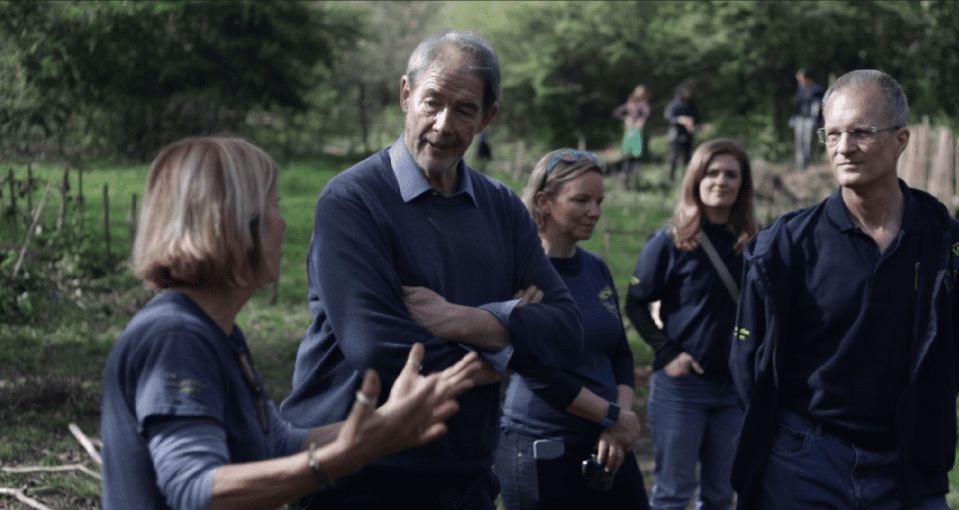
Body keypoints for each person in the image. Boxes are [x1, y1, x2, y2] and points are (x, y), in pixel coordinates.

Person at [279, 31, 584, 510]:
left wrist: (464, 320)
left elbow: (566, 333)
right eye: (432, 102)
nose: (443, 125)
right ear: (405, 96)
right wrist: (508, 347)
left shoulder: (503, 207)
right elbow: (377, 347)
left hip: (466, 476)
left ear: (488, 117)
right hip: (358, 476)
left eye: (464, 110)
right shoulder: (352, 201)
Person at [101, 136, 483, 510]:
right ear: (234, 222)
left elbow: (274, 444)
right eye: (273, 206)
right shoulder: (176, 339)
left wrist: (384, 426)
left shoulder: (217, 332)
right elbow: (195, 491)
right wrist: (340, 459)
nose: (281, 223)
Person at [730, 69, 959, 509]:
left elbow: (951, 354)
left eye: (861, 132)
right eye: (832, 135)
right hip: (803, 464)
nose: (844, 148)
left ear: (901, 139)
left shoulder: (950, 246)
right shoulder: (784, 247)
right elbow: (749, 364)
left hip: (908, 463)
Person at [495, 149, 650, 510]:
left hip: (608, 444)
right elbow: (537, 371)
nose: (594, 211)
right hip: (543, 448)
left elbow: (620, 353)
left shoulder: (596, 268)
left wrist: (620, 423)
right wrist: (611, 415)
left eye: (599, 201)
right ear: (544, 202)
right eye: (581, 200)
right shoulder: (521, 276)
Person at [624, 138, 757, 510]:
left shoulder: (754, 245)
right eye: (712, 172)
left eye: (731, 174)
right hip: (682, 387)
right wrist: (668, 353)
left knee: (720, 496)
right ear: (695, 179)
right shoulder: (671, 240)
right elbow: (635, 302)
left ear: (742, 184)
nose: (721, 181)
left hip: (733, 390)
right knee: (673, 493)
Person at [612, 85, 651, 190]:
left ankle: (634, 184)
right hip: (630, 135)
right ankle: (624, 181)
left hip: (640, 135)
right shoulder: (630, 103)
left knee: (637, 159)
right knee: (628, 158)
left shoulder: (644, 105)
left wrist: (642, 120)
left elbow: (647, 114)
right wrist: (626, 118)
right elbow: (616, 113)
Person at [663, 84, 702, 182]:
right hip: (676, 133)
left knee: (687, 157)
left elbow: (697, 116)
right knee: (674, 157)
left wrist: (691, 121)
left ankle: (687, 178)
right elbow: (668, 117)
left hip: (688, 134)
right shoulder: (673, 104)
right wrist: (679, 120)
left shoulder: (690, 104)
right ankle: (671, 178)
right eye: (685, 91)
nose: (688, 93)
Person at [791, 68, 826, 170]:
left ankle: (808, 162)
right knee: (799, 141)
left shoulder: (818, 89)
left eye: (801, 79)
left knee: (808, 141)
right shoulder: (801, 89)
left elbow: (820, 106)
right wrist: (793, 117)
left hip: (811, 120)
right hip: (800, 119)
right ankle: (800, 164)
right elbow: (797, 104)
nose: (800, 82)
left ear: (808, 78)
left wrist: (821, 119)